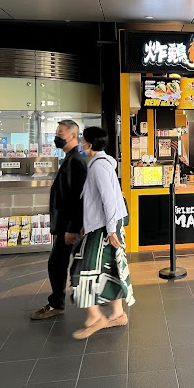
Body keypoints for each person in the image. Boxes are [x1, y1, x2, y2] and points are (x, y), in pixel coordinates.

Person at [70, 126, 135, 339]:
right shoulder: (103, 164)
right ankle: (116, 314)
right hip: (104, 225)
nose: (80, 142)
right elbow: (101, 199)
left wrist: (110, 229)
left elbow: (108, 199)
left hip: (103, 229)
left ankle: (96, 316)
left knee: (81, 270)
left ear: (88, 144)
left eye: (82, 139)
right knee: (110, 268)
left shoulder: (98, 166)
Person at [30, 120, 87, 320]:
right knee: (60, 263)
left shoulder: (76, 160)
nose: (57, 136)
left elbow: (77, 197)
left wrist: (72, 228)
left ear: (73, 136)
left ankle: (57, 303)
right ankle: (59, 301)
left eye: (60, 133)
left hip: (69, 226)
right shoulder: (71, 158)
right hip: (66, 224)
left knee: (58, 263)